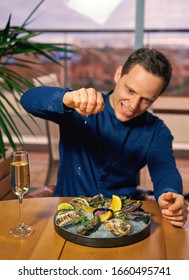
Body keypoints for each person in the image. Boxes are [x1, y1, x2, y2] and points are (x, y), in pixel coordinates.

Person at [21, 47, 188, 227]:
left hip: (120, 222)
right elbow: (28, 99)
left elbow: (165, 170)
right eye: (130, 91)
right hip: (67, 214)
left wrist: (170, 195)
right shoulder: (81, 106)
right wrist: (66, 98)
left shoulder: (157, 131)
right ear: (118, 74)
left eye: (146, 100)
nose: (133, 105)